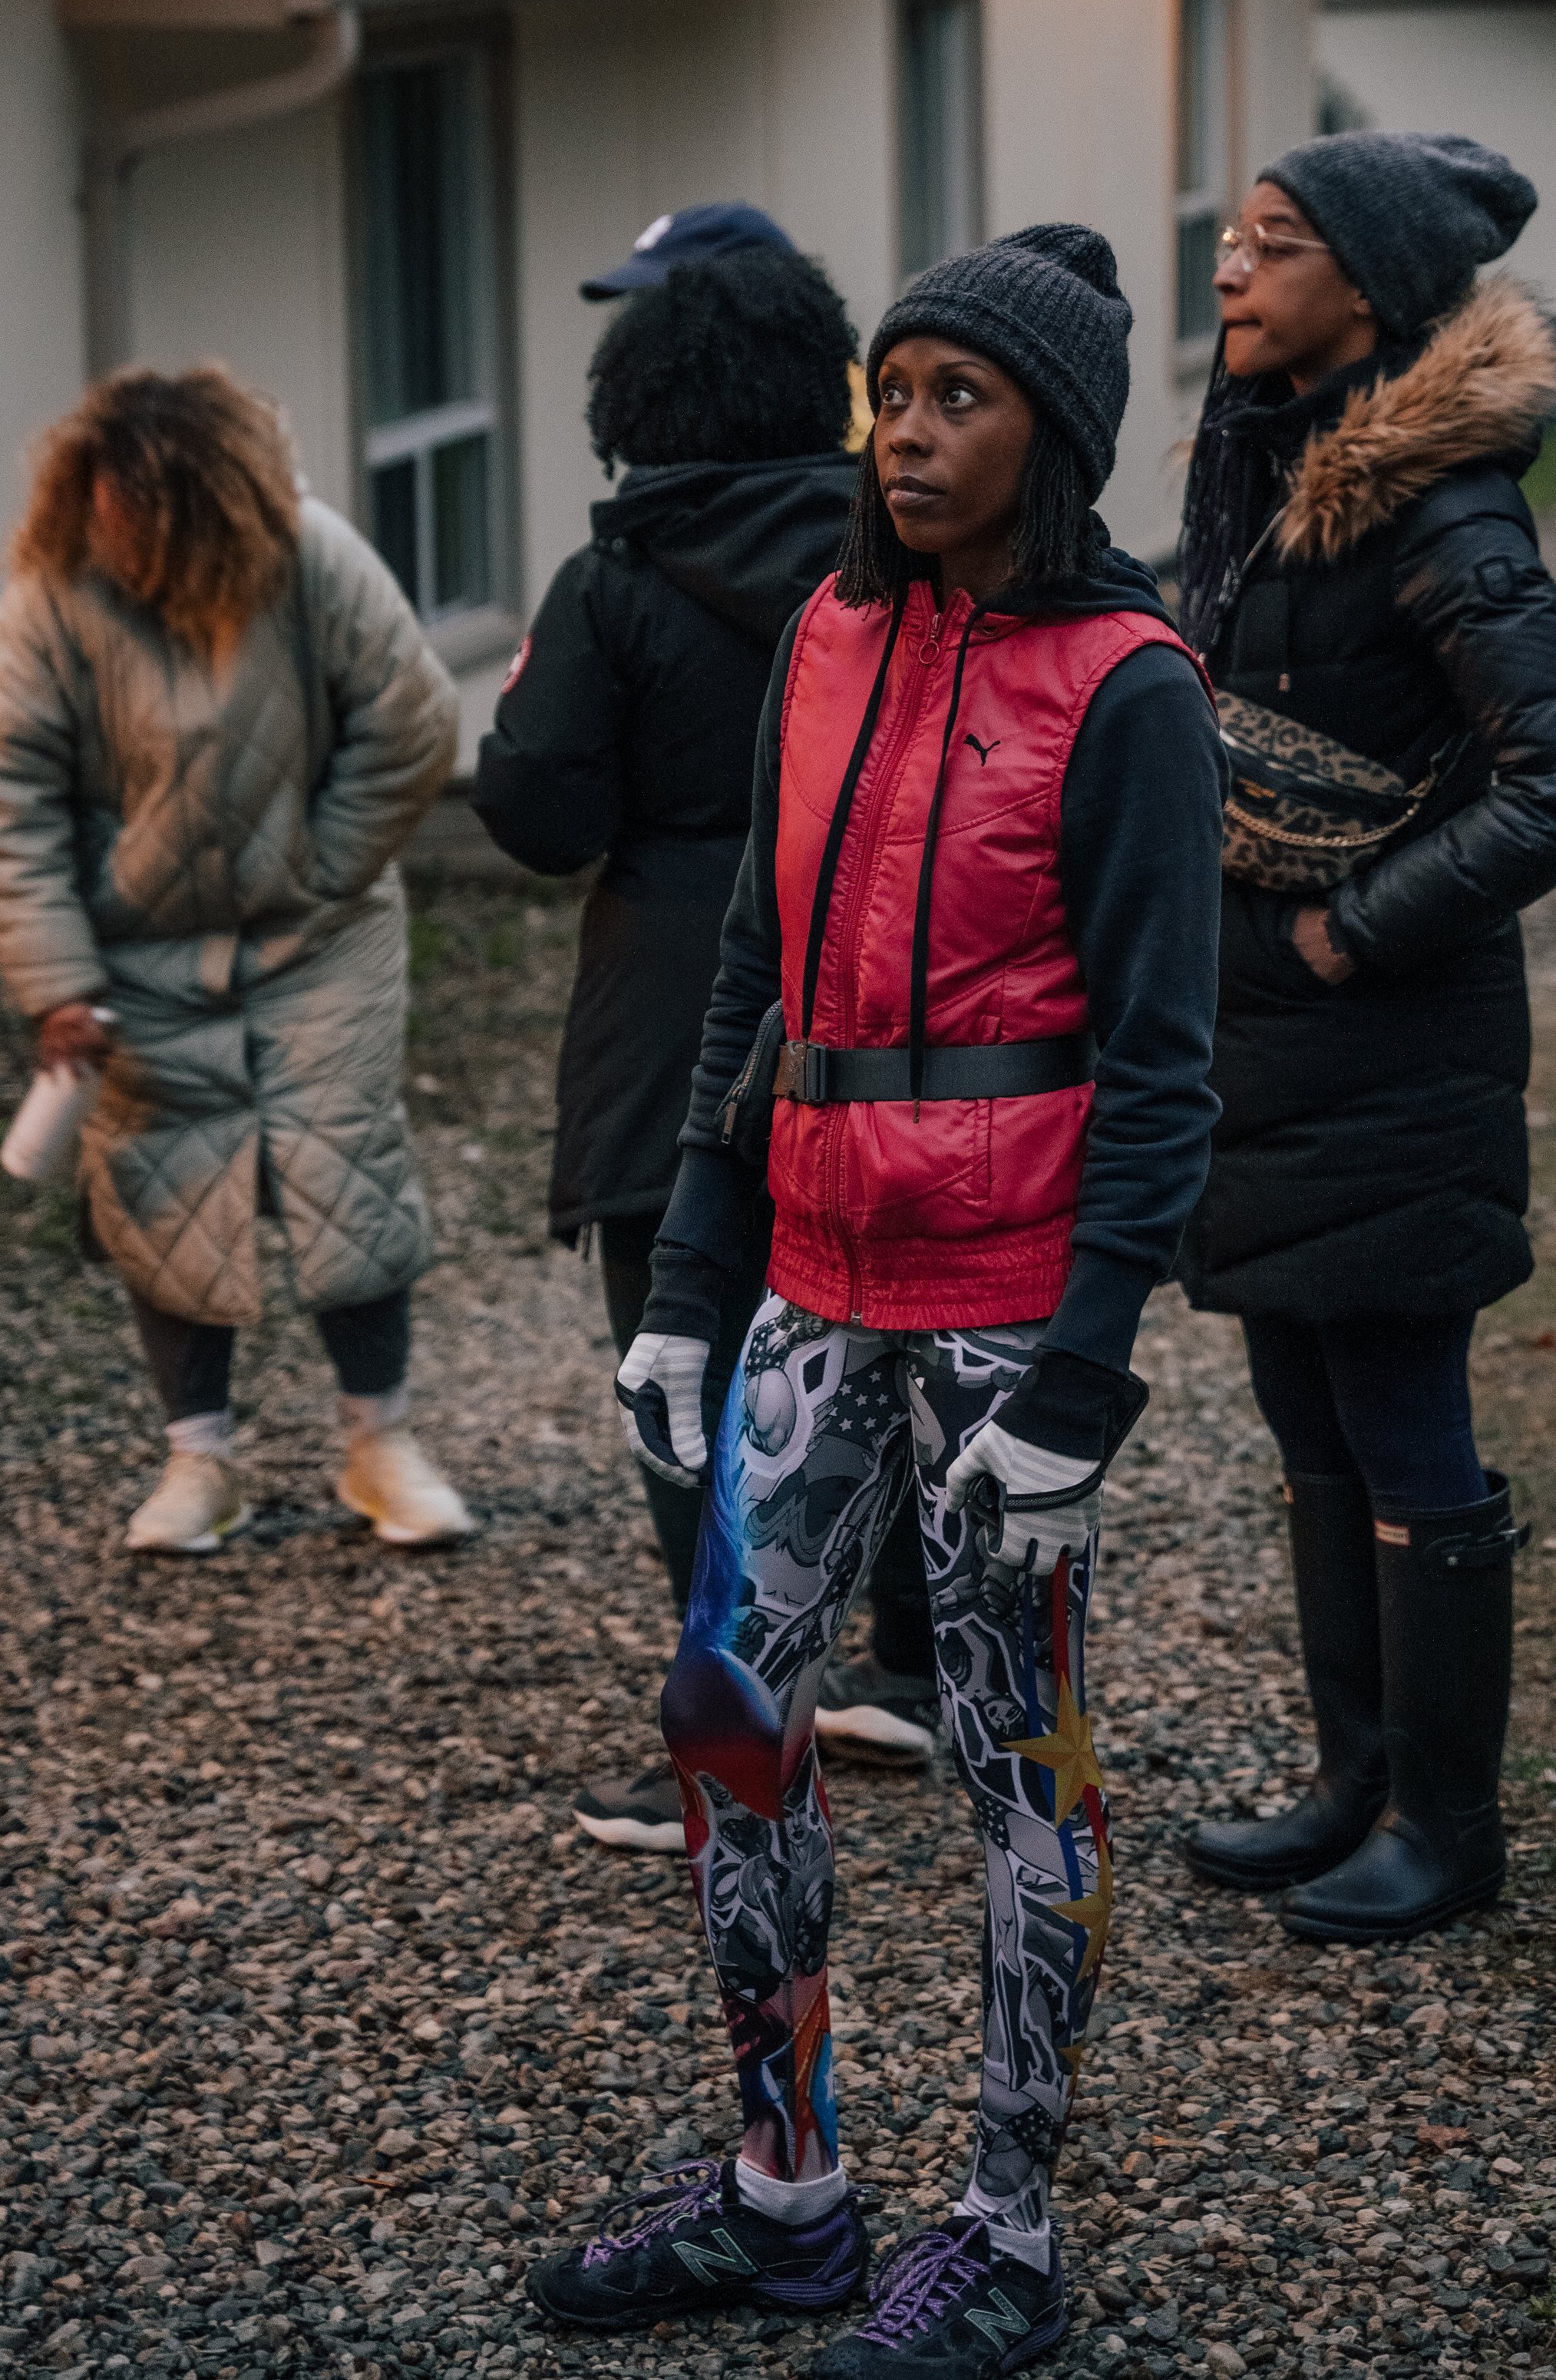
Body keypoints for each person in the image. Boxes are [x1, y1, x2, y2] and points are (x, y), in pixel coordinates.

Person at [524, 223, 1226, 2370]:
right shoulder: (826, 629)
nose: (909, 433)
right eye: (892, 391)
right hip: (808, 1282)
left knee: (1024, 1755)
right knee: (727, 1709)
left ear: (1058, 433)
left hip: (1013, 1299)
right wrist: (691, 1282)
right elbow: (755, 970)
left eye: (960, 398)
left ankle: (1002, 2231)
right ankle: (783, 2188)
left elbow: (1166, 1055)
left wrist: (1088, 1364)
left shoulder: (1127, 684)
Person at [1175, 132, 1556, 1943]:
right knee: (1301, 1397)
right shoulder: (1267, 470)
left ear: (1359, 292)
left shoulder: (1440, 509)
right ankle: (1353, 1781)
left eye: (1268, 247)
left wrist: (1356, 930)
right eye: (1229, 234)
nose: (1226, 267)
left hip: (1387, 1035)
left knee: (1400, 1407)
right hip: (1262, 1039)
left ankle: (1447, 1828)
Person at [471, 213, 941, 1857]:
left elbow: (532, 808)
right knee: (887, 1328)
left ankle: (739, 1739)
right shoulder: (894, 551)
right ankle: (908, 1661)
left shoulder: (610, 582)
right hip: (891, 996)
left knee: (694, 1378)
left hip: (673, 1003)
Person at [0, 365, 468, 1552]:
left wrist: (324, 863)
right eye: (104, 516)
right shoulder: (50, 594)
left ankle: (383, 1444)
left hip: (320, 937)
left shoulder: (309, 553)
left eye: (146, 524)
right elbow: (16, 800)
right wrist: (56, 983)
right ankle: (197, 1464)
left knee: (344, 1169)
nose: (123, 545)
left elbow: (412, 715)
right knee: (162, 1185)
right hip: (136, 953)